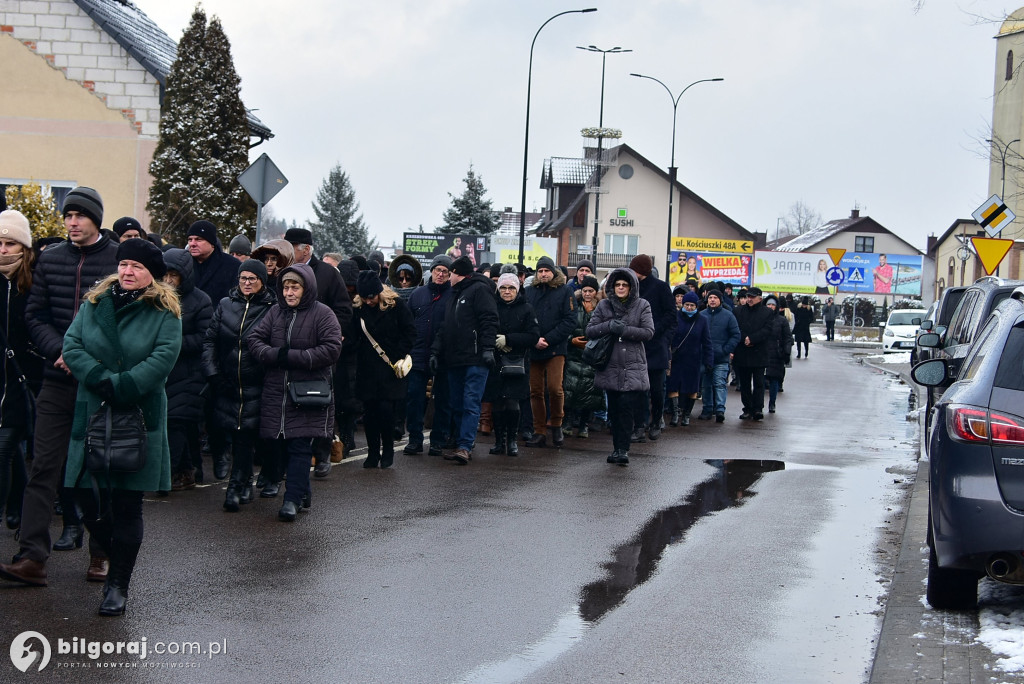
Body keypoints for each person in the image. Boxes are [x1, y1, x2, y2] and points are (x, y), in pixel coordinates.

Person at [0, 187, 119, 588]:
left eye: (79, 216)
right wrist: (62, 352)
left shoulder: (119, 260)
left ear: (95, 219)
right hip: (57, 379)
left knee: (97, 470)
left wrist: (87, 358)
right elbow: (35, 317)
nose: (71, 223)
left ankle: (101, 553)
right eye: (67, 216)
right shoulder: (50, 261)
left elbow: (127, 319)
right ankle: (32, 556)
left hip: (101, 384)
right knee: (43, 466)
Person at [61, 238, 182, 615]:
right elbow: (72, 344)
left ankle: (118, 585)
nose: (128, 272)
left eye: (138, 267)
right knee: (85, 496)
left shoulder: (165, 311)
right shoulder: (95, 303)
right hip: (94, 407)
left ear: (152, 274)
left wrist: (125, 385)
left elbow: (164, 356)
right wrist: (98, 377)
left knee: (128, 504)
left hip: (138, 412)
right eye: (124, 264)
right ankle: (114, 553)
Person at [248, 264, 341, 521]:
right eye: (286, 287)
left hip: (307, 392)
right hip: (277, 392)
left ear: (306, 288)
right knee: (280, 446)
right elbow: (255, 339)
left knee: (300, 445)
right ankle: (302, 493)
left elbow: (332, 349)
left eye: (295, 287)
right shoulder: (275, 312)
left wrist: (293, 357)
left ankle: (291, 499)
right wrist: (272, 355)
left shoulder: (323, 314)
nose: (289, 292)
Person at [202, 259, 276, 509]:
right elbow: (210, 340)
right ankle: (243, 483)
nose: (246, 283)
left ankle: (235, 487)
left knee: (246, 435)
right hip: (227, 381)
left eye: (252, 279)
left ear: (262, 281)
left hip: (258, 383)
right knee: (233, 433)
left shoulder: (272, 308)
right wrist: (213, 373)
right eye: (243, 278)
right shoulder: (225, 304)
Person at [284, 228, 353, 477]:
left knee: (319, 403)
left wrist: (335, 334)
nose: (287, 251)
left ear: (307, 249)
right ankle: (292, 456)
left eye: (292, 246)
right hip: (290, 351)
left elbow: (344, 309)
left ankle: (323, 454)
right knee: (288, 403)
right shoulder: (285, 272)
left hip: (320, 352)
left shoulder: (327, 274)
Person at [430, 256, 497, 465]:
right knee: (457, 403)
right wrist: (435, 352)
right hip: (454, 359)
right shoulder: (455, 294)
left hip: (475, 358)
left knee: (470, 402)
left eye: (450, 273)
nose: (447, 277)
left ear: (458, 273)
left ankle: (465, 446)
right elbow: (445, 327)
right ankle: (461, 443)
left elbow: (489, 320)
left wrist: (487, 348)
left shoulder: (479, 290)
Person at [586, 268, 654, 466]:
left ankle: (623, 449)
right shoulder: (604, 305)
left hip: (632, 363)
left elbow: (648, 332)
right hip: (610, 362)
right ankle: (616, 448)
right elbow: (590, 330)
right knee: (614, 409)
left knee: (626, 407)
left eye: (625, 285)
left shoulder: (642, 305)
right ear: (612, 287)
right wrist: (609, 326)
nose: (621, 288)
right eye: (617, 285)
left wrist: (624, 330)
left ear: (632, 286)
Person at [0, 211, 41, 532]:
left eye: (10, 243)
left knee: (4, 447)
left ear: (23, 247)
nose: (3, 250)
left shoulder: (33, 282)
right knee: (9, 449)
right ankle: (17, 505)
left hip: (21, 380)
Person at [161, 249, 213, 493]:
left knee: (177, 422)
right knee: (181, 425)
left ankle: (169, 473)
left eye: (174, 275)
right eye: (166, 275)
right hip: (163, 371)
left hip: (188, 372)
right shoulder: (155, 296)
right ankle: (189, 470)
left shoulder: (200, 301)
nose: (169, 281)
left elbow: (205, 337)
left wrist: (172, 343)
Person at [351, 272, 415, 468]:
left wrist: (398, 354)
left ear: (380, 293)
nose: (369, 301)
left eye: (372, 297)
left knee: (386, 411)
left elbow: (410, 332)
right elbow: (354, 336)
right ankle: (372, 452)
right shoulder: (358, 308)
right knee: (370, 413)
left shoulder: (396, 305)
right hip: (367, 368)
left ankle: (387, 450)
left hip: (390, 367)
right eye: (365, 297)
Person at [484, 273, 539, 456]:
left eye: (511, 288)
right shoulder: (491, 306)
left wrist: (509, 339)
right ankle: (499, 441)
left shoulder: (527, 308)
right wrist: (495, 341)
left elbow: (533, 336)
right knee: (497, 402)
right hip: (495, 360)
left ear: (517, 289)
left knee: (513, 403)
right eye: (503, 288)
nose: (507, 292)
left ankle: (512, 441)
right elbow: (484, 328)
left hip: (517, 361)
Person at [524, 256, 576, 448]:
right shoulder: (528, 292)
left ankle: (556, 424)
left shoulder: (565, 292)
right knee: (535, 391)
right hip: (533, 348)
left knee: (555, 388)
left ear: (553, 272)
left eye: (546, 270)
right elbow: (524, 318)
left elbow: (570, 320)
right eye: (540, 271)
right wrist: (534, 339)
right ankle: (539, 431)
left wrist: (549, 339)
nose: (543, 274)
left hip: (556, 348)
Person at [405, 255, 453, 457]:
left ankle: (438, 440)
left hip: (444, 356)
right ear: (431, 272)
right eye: (437, 270)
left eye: (445, 271)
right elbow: (408, 323)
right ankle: (415, 439)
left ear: (450, 274)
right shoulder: (418, 294)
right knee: (414, 398)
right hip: (417, 354)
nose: (440, 274)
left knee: (443, 399)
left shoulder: (453, 295)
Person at [628, 254, 676, 442]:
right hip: (637, 345)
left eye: (634, 269)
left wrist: (653, 330)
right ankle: (640, 426)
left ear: (641, 270)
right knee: (639, 390)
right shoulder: (632, 288)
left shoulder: (661, 287)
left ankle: (656, 421)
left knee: (656, 389)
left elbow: (671, 315)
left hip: (656, 346)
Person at [563, 276, 603, 438]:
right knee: (570, 390)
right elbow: (567, 326)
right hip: (573, 354)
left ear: (595, 292)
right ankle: (567, 422)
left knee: (590, 393)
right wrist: (571, 340)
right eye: (585, 290)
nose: (587, 294)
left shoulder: (600, 309)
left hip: (592, 356)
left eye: (591, 291)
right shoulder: (573, 305)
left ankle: (584, 424)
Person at [666, 292, 713, 426]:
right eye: (687, 305)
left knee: (692, 388)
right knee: (673, 386)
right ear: (683, 304)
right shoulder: (675, 317)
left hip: (693, 359)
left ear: (696, 306)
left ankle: (686, 415)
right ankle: (675, 414)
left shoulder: (702, 320)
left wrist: (709, 360)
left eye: (692, 305)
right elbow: (668, 336)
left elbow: (707, 342)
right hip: (676, 358)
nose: (690, 308)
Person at [732, 286, 775, 421]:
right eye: (747, 297)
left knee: (759, 383)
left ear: (759, 298)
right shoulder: (738, 311)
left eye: (752, 297)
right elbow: (735, 328)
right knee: (744, 383)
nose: (749, 299)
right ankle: (747, 408)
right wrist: (745, 338)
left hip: (759, 352)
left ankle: (758, 409)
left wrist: (753, 339)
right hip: (742, 351)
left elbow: (767, 330)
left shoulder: (767, 312)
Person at [698, 288, 740, 422]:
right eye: (710, 298)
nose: (712, 300)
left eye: (715, 298)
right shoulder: (701, 315)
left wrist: (725, 349)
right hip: (705, 357)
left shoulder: (728, 316)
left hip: (721, 357)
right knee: (706, 385)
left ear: (720, 300)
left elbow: (736, 335)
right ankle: (707, 409)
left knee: (719, 383)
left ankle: (720, 409)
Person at [763, 295, 794, 414]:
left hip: (776, 354)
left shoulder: (782, 320)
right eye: (768, 305)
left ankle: (772, 403)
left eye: (773, 305)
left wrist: (786, 351)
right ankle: (759, 404)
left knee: (774, 380)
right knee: (761, 380)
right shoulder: (761, 318)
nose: (770, 307)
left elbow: (788, 338)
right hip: (762, 353)